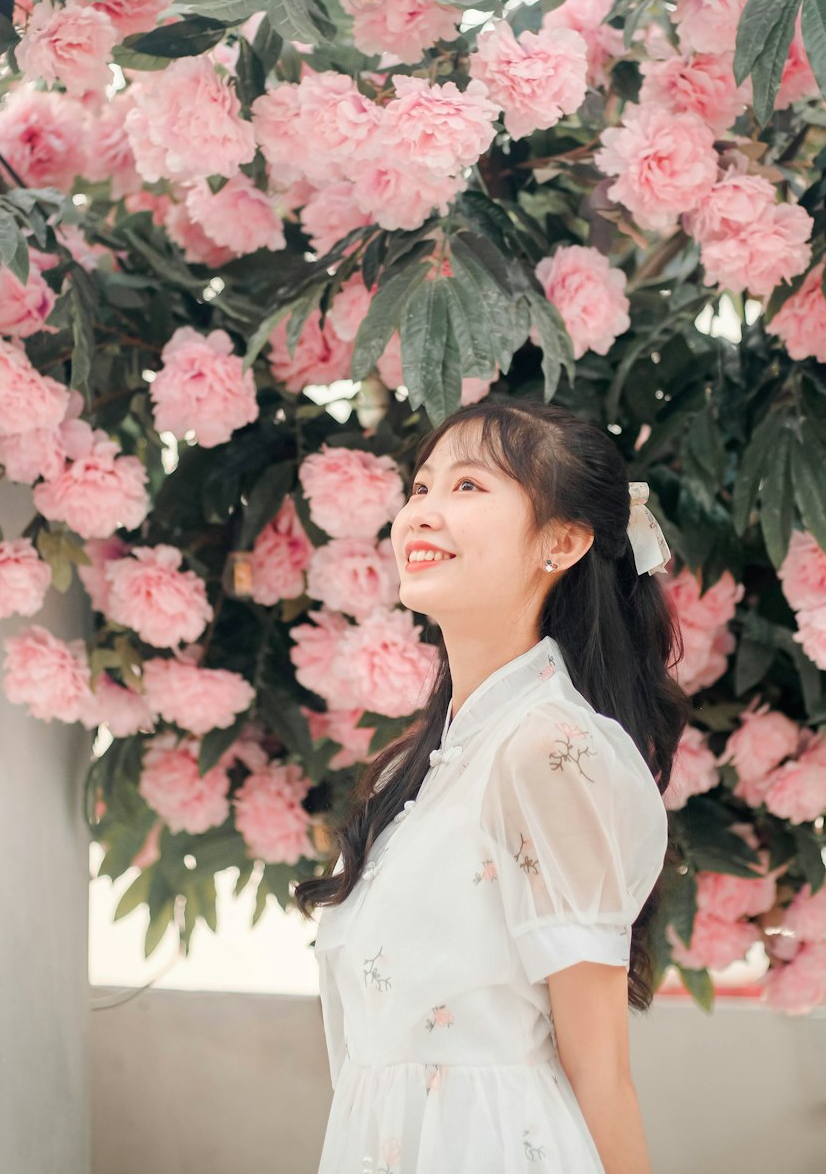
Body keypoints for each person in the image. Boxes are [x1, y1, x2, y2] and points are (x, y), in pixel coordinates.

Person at [295, 394, 688, 1174]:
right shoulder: (427, 766)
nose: (424, 513)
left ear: (562, 541)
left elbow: (600, 1068)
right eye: (420, 488)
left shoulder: (547, 748)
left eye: (468, 487)